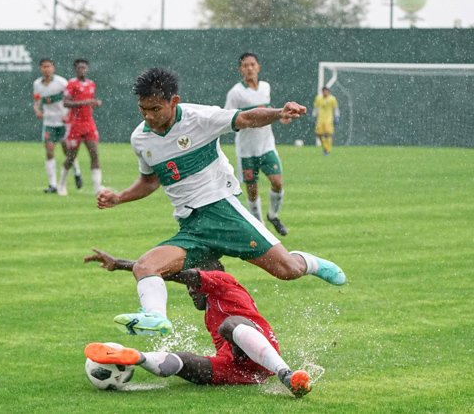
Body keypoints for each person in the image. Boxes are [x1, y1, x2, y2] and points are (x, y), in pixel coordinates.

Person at [97, 67, 346, 336]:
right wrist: (119, 197)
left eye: (155, 109)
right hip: (191, 227)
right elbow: (150, 180)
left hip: (223, 212)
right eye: (142, 109)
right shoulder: (140, 138)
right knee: (146, 266)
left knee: (288, 270)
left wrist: (278, 113)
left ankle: (315, 263)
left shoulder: (200, 118)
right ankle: (155, 317)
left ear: (174, 101)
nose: (148, 116)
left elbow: (247, 117)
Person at [83, 249, 311, 398]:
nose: (191, 291)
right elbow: (183, 278)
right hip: (237, 369)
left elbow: (178, 275)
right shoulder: (210, 308)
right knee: (186, 361)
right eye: (190, 288)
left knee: (229, 326)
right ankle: (138, 357)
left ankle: (286, 375)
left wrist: (125, 264)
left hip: (261, 351)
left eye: (195, 285)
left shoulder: (224, 281)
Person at [225, 52, 288, 236]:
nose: (250, 68)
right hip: (246, 150)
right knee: (252, 191)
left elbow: (268, 112)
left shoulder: (265, 87)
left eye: (253, 64)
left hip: (266, 146)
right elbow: (228, 117)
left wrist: (280, 117)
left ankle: (273, 215)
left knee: (277, 182)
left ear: (258, 67)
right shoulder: (236, 92)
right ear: (240, 70)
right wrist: (247, 119)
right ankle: (260, 226)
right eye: (245, 65)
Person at [32, 58, 82, 194]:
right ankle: (52, 184)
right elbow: (36, 99)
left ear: (53, 68)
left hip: (63, 121)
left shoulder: (61, 82)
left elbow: (71, 98)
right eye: (44, 67)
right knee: (49, 151)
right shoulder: (37, 84)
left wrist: (67, 114)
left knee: (68, 151)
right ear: (40, 68)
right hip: (49, 122)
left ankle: (77, 171)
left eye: (49, 66)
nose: (46, 69)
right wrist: (37, 110)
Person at [62, 58, 103, 196]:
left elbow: (89, 102)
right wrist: (85, 102)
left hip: (89, 123)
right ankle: (61, 184)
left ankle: (97, 188)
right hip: (75, 124)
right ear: (75, 69)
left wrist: (94, 103)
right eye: (79, 68)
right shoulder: (71, 84)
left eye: (84, 67)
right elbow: (66, 103)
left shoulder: (91, 84)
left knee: (94, 154)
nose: (82, 70)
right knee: (71, 156)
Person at [312, 86, 340, 156]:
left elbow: (335, 108)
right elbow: (316, 108)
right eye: (323, 91)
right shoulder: (318, 98)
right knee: (319, 135)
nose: (325, 92)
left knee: (328, 135)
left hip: (329, 120)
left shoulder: (332, 99)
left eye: (326, 91)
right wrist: (313, 116)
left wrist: (337, 117)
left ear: (328, 92)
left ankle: (327, 150)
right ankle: (325, 148)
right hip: (320, 119)